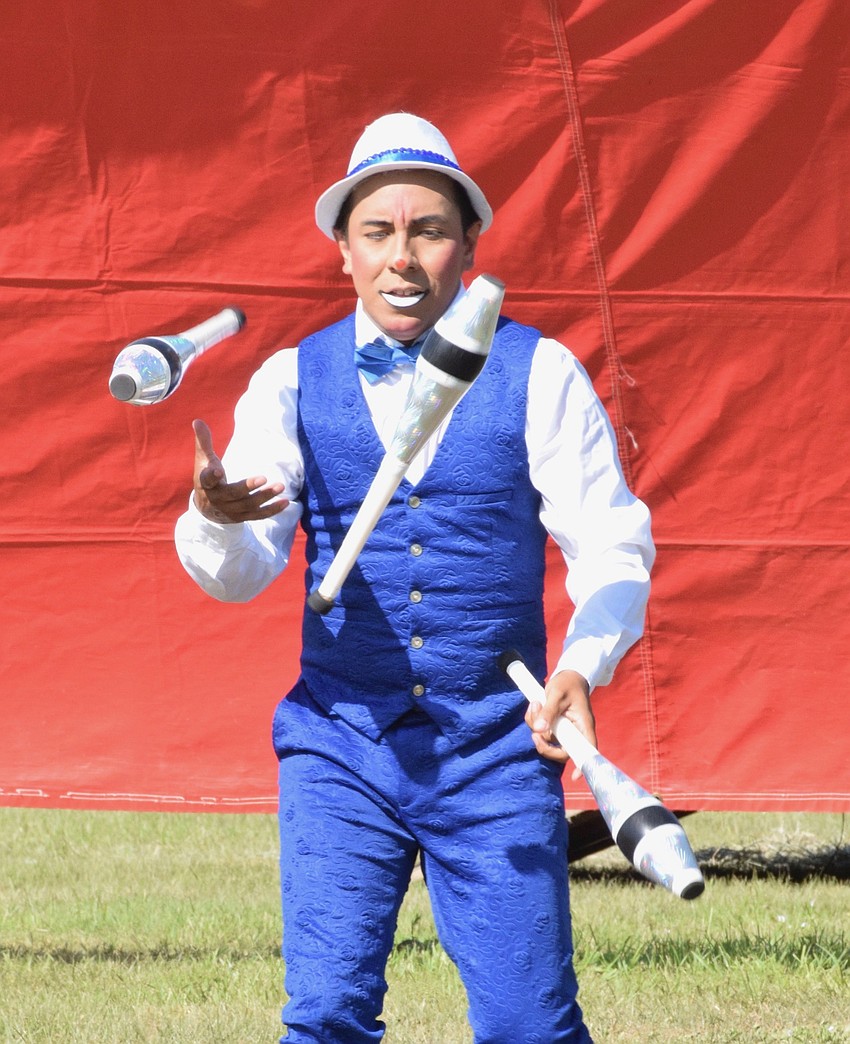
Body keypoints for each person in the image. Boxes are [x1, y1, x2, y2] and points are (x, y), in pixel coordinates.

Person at [174, 112, 654, 1043]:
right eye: (378, 232)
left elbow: (612, 543)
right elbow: (241, 573)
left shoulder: (542, 373)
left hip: (495, 748)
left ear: (468, 245)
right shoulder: (290, 380)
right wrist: (215, 519)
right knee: (325, 1016)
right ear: (343, 252)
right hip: (341, 745)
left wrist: (583, 665)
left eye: (428, 231)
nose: (402, 257)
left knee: (529, 1027)